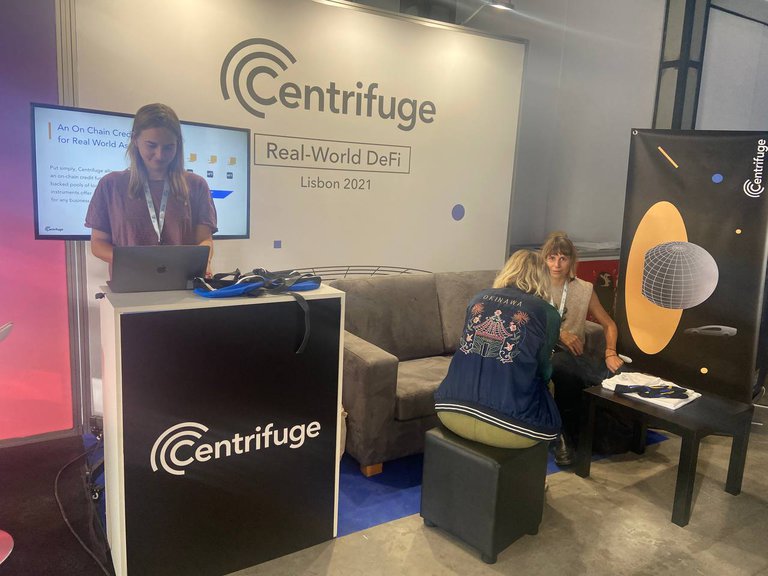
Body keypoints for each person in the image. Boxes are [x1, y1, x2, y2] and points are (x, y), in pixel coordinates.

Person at [434, 250, 562, 448]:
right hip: (510, 427)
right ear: (543, 278)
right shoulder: (547, 313)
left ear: (508, 270)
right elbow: (544, 370)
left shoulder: (478, 299)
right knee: (548, 386)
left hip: (449, 409)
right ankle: (556, 454)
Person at [85, 103, 217, 274]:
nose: (160, 155)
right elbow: (98, 243)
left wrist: (205, 260)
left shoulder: (197, 185)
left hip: (183, 283)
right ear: (135, 140)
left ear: (178, 144)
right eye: (151, 145)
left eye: (168, 147)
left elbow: (204, 240)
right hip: (131, 284)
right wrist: (138, 262)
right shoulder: (111, 184)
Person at [541, 231, 623, 465]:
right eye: (552, 258)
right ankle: (564, 437)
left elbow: (609, 324)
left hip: (574, 357)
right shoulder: (535, 286)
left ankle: (615, 431)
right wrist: (559, 333)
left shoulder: (584, 288)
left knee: (620, 372)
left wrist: (610, 352)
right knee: (561, 368)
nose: (557, 264)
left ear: (571, 261)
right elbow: (528, 323)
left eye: (563, 258)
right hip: (544, 353)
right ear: (544, 259)